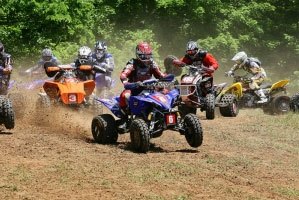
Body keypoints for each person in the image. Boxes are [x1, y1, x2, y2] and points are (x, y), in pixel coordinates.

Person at [119, 42, 168, 130]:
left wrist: (167, 78)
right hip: (134, 88)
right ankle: (124, 119)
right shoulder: (132, 63)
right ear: (138, 54)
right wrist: (125, 82)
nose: (146, 58)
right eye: (143, 56)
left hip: (150, 87)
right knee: (124, 96)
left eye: (148, 55)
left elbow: (160, 74)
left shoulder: (152, 63)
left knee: (165, 92)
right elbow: (124, 74)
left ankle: (163, 115)